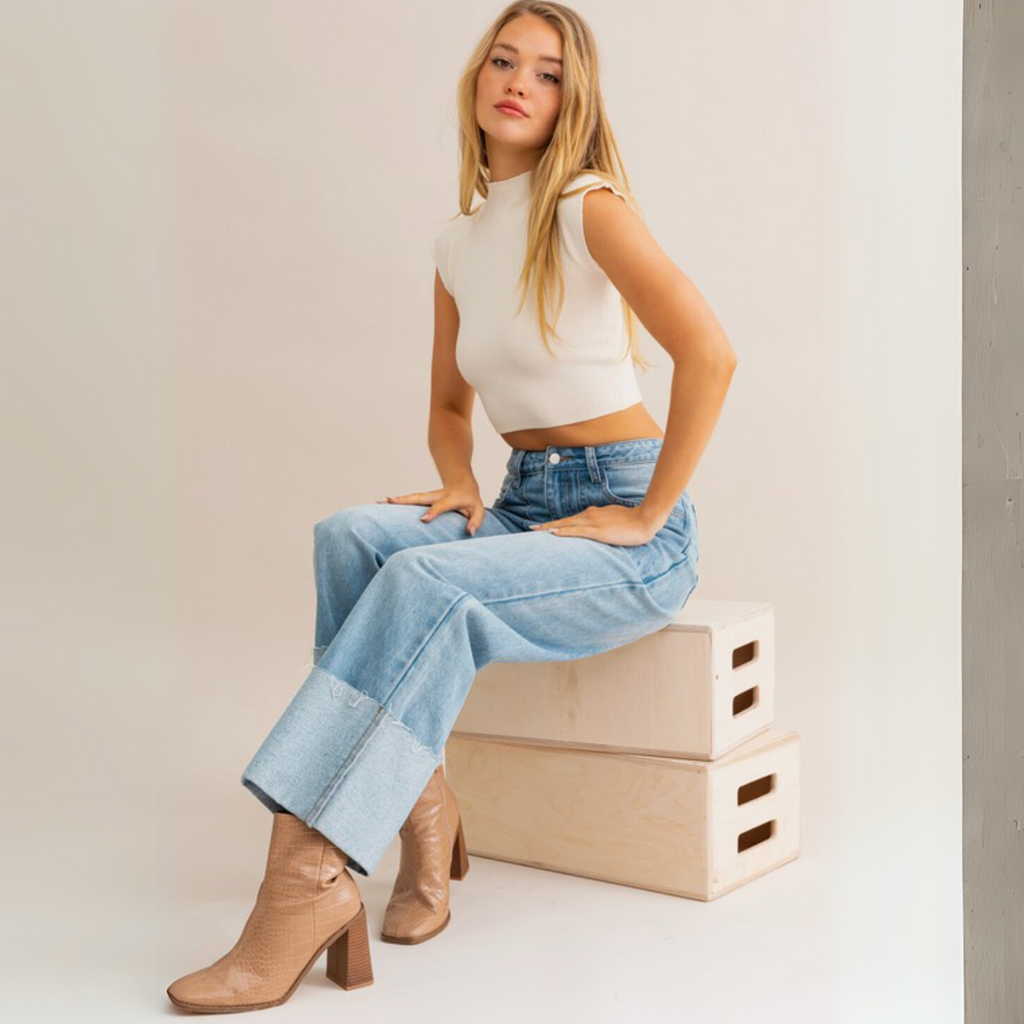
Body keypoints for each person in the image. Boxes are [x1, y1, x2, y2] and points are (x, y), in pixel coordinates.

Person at [166, 0, 737, 1014]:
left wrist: (649, 513)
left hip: (623, 526)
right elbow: (445, 404)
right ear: (476, 82)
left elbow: (710, 352)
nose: (520, 81)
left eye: (549, 72)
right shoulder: (457, 242)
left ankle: (303, 881)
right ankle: (425, 814)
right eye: (503, 61)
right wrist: (463, 480)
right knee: (352, 535)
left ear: (573, 101)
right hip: (523, 506)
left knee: (423, 574)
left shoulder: (586, 202)